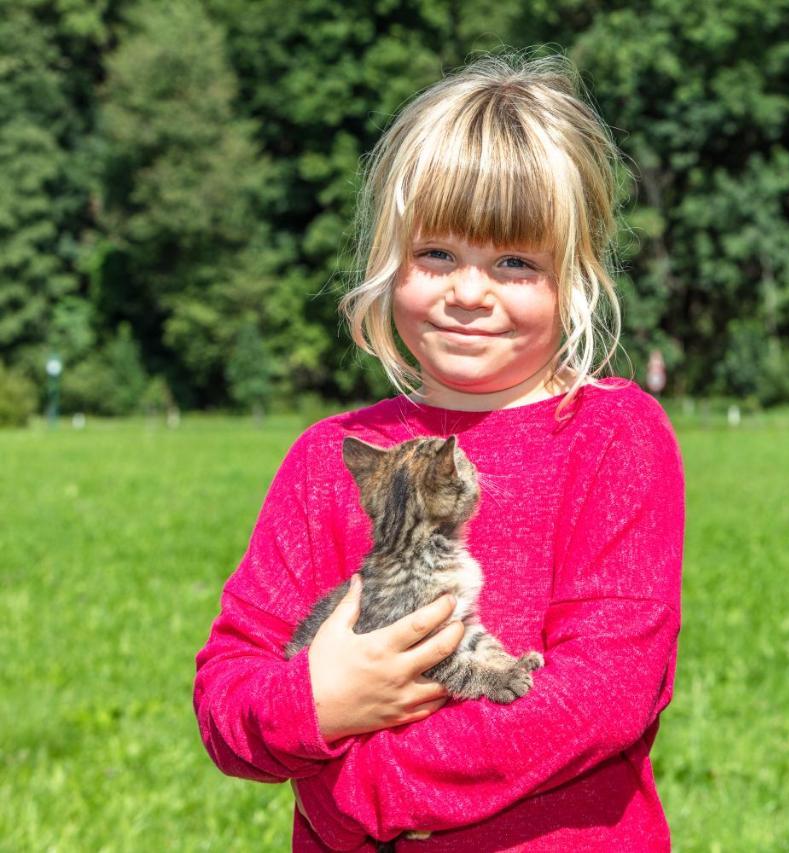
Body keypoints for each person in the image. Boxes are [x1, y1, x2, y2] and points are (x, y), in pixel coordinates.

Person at [193, 53, 684, 852]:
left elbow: (606, 691)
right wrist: (318, 701)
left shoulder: (613, 436)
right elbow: (227, 688)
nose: (469, 291)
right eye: (438, 255)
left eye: (515, 262)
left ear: (575, 274)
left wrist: (368, 789)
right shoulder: (334, 459)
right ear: (391, 257)